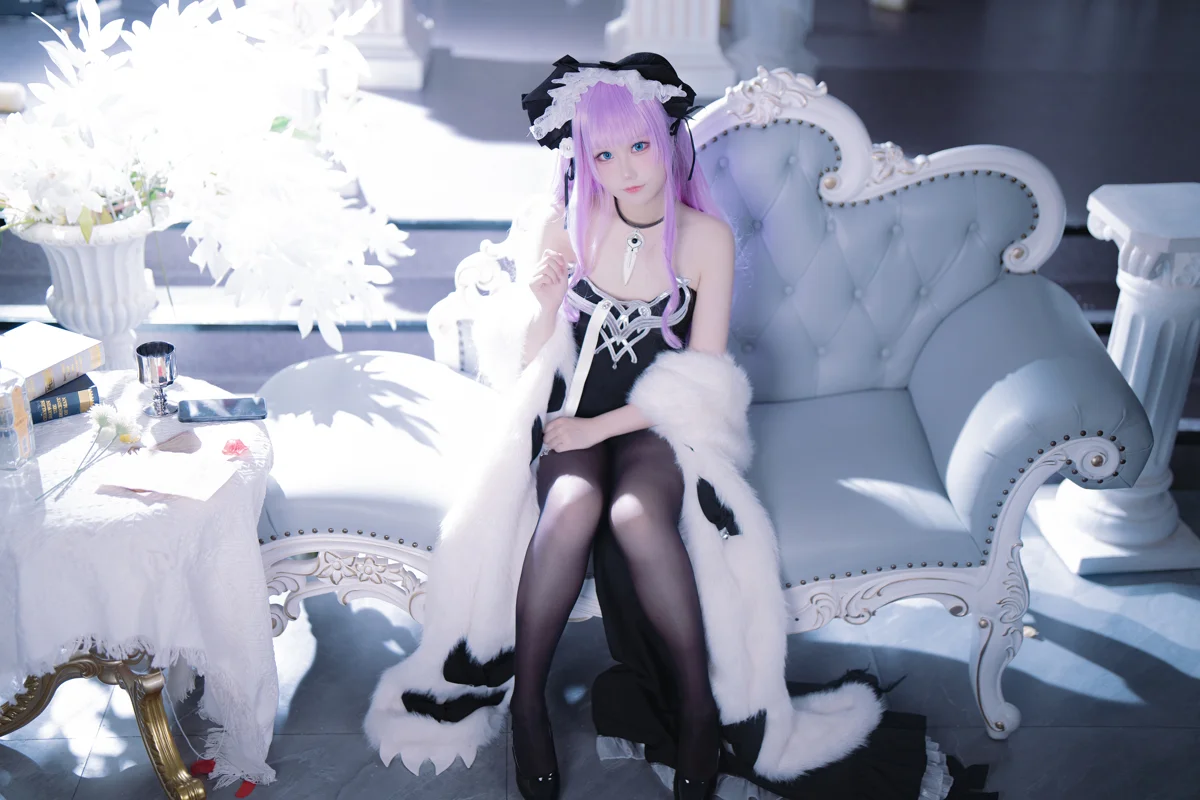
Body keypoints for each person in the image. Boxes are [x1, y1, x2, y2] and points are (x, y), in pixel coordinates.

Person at [364, 53, 996, 800]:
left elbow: (703, 377)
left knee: (636, 515)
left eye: (638, 146)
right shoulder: (562, 226)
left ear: (666, 139)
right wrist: (542, 305)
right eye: (604, 154)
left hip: (658, 421)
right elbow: (531, 362)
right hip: (570, 412)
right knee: (568, 510)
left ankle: (699, 711)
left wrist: (602, 432)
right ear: (583, 157)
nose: (626, 169)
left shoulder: (705, 239)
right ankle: (527, 709)